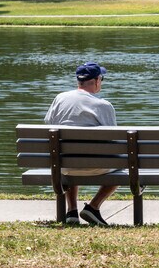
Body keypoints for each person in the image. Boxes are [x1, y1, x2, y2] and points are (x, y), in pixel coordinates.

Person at [44, 61, 119, 226]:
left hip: (63, 165)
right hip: (96, 166)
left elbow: (48, 124)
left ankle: (71, 211)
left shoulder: (59, 99)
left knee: (68, 153)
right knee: (126, 164)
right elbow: (114, 139)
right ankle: (93, 207)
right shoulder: (103, 105)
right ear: (97, 80)